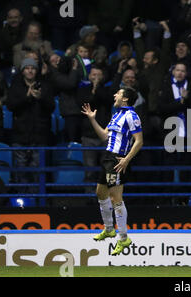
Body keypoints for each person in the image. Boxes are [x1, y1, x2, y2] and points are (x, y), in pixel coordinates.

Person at [81, 86, 143, 256]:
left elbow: (139, 141)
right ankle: (109, 229)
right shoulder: (116, 115)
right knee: (100, 192)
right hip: (107, 157)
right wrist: (92, 119)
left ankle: (123, 238)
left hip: (117, 159)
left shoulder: (132, 116)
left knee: (116, 198)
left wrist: (126, 159)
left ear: (125, 99)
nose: (115, 95)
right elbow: (104, 136)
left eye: (119, 93)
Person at [6, 58, 54, 192]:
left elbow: (51, 106)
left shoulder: (45, 86)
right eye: (27, 68)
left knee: (37, 171)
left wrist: (40, 98)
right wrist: (26, 96)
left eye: (32, 68)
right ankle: (22, 201)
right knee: (20, 171)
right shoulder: (15, 86)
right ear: (22, 71)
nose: (30, 70)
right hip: (20, 136)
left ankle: (36, 201)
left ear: (36, 70)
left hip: (40, 136)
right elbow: (10, 106)